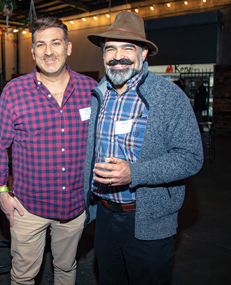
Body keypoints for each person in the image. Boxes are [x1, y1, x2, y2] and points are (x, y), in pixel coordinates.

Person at [83, 11, 203, 285]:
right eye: (110, 49)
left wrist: (134, 173)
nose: (118, 56)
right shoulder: (98, 95)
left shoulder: (169, 96)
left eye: (128, 48)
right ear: (103, 56)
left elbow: (191, 157)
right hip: (104, 215)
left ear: (144, 53)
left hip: (148, 220)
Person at [0, 17, 97, 285]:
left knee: (66, 268)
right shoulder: (15, 91)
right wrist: (1, 192)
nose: (48, 51)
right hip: (29, 209)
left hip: (74, 206)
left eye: (55, 43)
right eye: (41, 45)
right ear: (33, 51)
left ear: (68, 47)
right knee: (24, 276)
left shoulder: (92, 90)